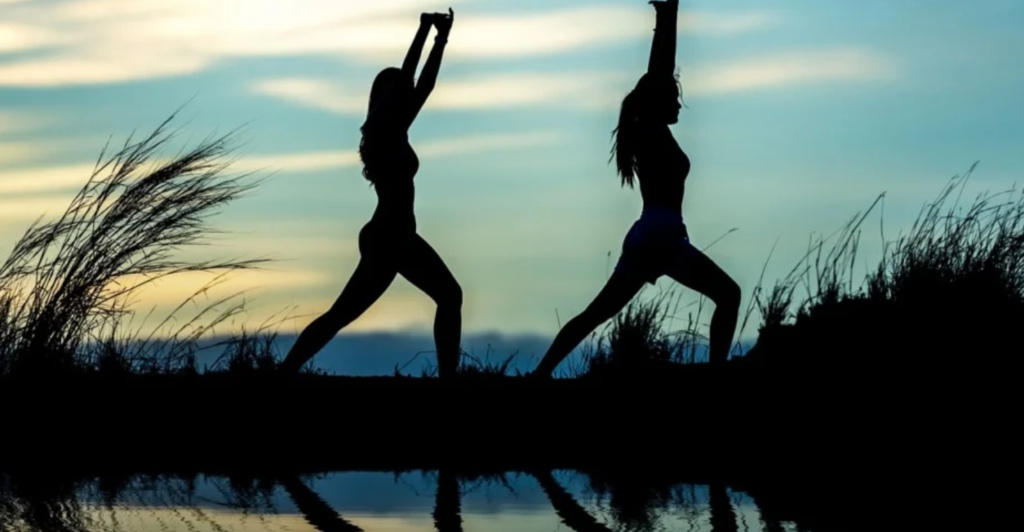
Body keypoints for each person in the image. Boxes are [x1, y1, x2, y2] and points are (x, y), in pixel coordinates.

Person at [529, 0, 740, 378]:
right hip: (660, 236)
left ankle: (541, 373)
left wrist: (667, 15)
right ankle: (717, 374)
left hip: (653, 235)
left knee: (594, 314)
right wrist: (667, 17)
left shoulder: (650, 131)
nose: (679, 104)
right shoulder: (650, 133)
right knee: (729, 295)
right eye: (674, 99)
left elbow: (661, 72)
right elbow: (659, 69)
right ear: (658, 103)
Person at [278, 8, 463, 378]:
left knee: (344, 314)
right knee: (444, 297)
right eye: (399, 89)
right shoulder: (383, 131)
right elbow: (414, 79)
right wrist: (430, 33)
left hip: (394, 235)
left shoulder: (394, 128)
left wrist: (433, 34)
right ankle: (283, 372)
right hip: (390, 236)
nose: (407, 92)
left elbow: (416, 83)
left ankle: (283, 372)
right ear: (386, 96)